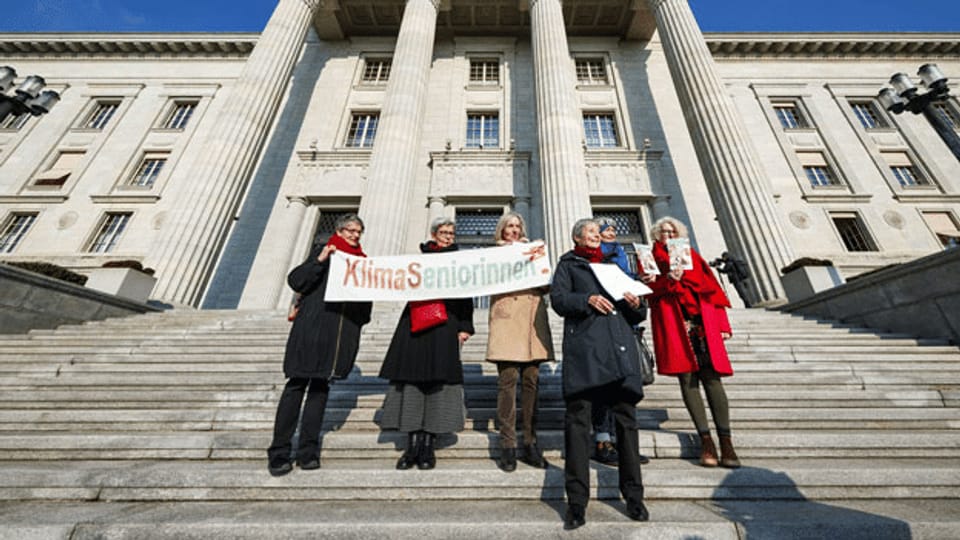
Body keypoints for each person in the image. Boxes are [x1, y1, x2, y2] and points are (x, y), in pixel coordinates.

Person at [551, 218, 649, 529]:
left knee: (627, 425)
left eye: (598, 232)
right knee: (578, 427)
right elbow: (559, 300)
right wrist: (587, 299)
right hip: (586, 353)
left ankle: (634, 496)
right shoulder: (568, 265)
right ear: (578, 237)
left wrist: (636, 303)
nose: (597, 236)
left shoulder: (612, 265)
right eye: (591, 232)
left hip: (619, 351)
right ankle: (577, 502)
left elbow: (639, 311)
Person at [267, 214, 372, 476]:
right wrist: (320, 260)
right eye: (350, 230)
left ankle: (308, 451)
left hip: (337, 337)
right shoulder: (324, 252)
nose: (354, 235)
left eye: (358, 232)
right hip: (310, 331)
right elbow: (297, 281)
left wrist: (355, 326)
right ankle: (280, 452)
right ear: (339, 230)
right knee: (295, 388)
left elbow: (365, 307)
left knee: (319, 392)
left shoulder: (363, 263)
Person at [640, 217, 741, 469]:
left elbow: (711, 290)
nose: (667, 234)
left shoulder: (692, 255)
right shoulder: (649, 259)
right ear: (655, 234)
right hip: (673, 322)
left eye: (671, 230)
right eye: (662, 231)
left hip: (702, 322)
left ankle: (726, 441)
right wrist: (670, 279)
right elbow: (649, 292)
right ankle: (706, 440)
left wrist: (723, 325)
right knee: (687, 379)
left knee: (712, 378)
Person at [379, 217, 475, 470]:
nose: (447, 237)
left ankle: (428, 446)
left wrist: (465, 326)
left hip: (446, 327)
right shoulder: (417, 261)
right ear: (434, 234)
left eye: (452, 234)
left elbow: (467, 298)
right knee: (411, 383)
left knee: (438, 384)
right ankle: (411, 446)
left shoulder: (460, 262)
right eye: (443, 233)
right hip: (415, 326)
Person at [485, 212, 554, 472]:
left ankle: (530, 442)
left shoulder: (533, 252)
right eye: (509, 226)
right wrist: (505, 254)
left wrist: (534, 257)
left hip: (531, 323)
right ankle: (508, 444)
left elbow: (547, 285)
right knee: (507, 383)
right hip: (507, 320)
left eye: (517, 226)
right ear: (501, 231)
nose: (513, 230)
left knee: (531, 384)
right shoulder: (492, 254)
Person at [592, 217, 651, 466]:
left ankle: (625, 443)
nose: (612, 233)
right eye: (606, 230)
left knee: (626, 389)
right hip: (602, 327)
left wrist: (641, 285)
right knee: (603, 389)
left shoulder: (623, 256)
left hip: (627, 326)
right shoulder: (591, 257)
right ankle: (603, 440)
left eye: (615, 229)